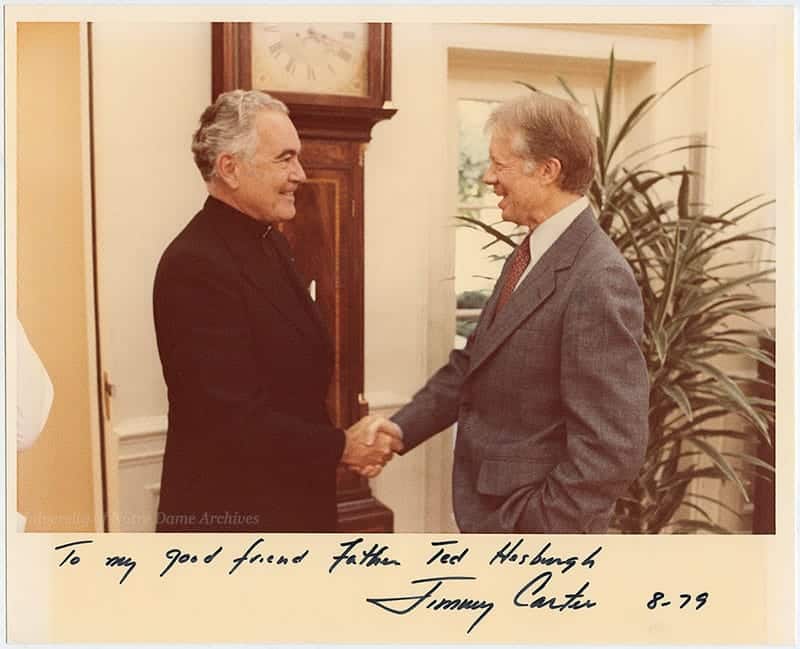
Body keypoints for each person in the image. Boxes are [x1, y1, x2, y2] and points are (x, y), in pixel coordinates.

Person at [374, 93, 649, 533]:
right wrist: (398, 430)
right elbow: (475, 364)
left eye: (499, 165)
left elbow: (612, 446)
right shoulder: (531, 253)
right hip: (490, 516)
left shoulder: (598, 277)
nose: (487, 178)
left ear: (547, 170)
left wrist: (537, 527)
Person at [153, 89, 401, 533]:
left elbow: (292, 385)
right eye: (285, 159)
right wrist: (341, 446)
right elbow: (229, 421)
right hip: (233, 522)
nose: (300, 175)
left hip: (292, 503)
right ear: (230, 167)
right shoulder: (194, 264)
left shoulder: (271, 243)